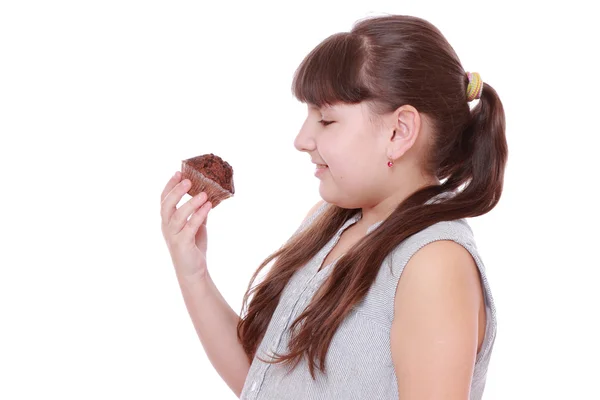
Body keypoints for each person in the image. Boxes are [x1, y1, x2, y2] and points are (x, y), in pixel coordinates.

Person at [160, 14, 507, 400]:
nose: (302, 139)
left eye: (326, 120)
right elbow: (264, 382)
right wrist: (194, 274)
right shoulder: (326, 224)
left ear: (399, 132)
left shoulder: (433, 266)